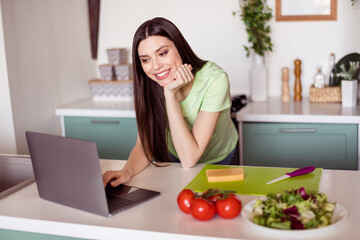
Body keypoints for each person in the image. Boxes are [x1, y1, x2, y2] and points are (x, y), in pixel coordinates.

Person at [103, 17, 238, 187]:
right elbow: (144, 145)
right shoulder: (150, 85)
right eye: (146, 60)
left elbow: (190, 157)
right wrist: (126, 172)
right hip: (176, 156)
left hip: (219, 158)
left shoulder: (214, 79)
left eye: (162, 53)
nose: (156, 66)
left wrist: (170, 95)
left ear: (179, 48)